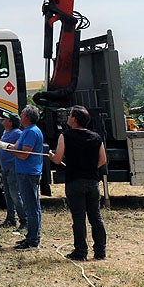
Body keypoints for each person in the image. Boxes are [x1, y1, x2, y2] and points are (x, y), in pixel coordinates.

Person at [47, 105, 107, 261]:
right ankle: (100, 252)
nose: (67, 117)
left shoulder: (65, 136)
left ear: (74, 119)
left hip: (74, 182)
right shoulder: (96, 137)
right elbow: (103, 160)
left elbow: (58, 159)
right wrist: (90, 168)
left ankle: (81, 252)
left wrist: (51, 156)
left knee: (79, 219)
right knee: (96, 217)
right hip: (93, 182)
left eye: (69, 115)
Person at [0, 105, 45, 251]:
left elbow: (24, 154)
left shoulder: (31, 132)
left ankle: (33, 240)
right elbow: (16, 147)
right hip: (24, 172)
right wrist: (1, 143)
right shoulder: (26, 132)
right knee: (31, 206)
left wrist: (8, 148)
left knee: (31, 207)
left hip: (29, 173)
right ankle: (31, 236)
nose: (21, 115)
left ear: (26, 117)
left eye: (23, 113)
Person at [0, 112, 27, 230]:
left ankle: (24, 220)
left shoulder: (17, 133)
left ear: (10, 122)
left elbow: (16, 147)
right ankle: (10, 219)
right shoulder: (6, 132)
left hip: (12, 167)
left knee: (15, 194)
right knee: (8, 194)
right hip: (5, 167)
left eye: (5, 118)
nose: (3, 119)